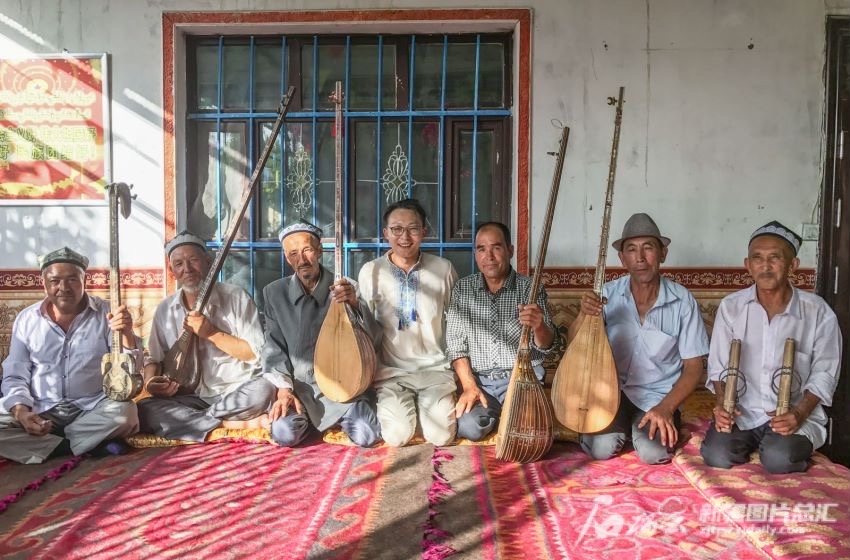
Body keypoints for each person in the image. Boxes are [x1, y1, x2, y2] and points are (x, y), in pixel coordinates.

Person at [700, 221, 842, 474]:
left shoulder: (817, 311)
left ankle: (782, 446)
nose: (765, 266)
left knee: (779, 458)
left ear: (793, 265)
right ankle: (762, 442)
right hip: (743, 413)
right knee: (716, 455)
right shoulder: (732, 307)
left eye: (775, 258)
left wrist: (798, 414)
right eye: (758, 258)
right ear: (748, 265)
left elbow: (825, 373)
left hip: (794, 414)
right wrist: (722, 406)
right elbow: (719, 367)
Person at [569, 213, 709, 464]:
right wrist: (583, 314)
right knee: (602, 448)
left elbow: (693, 368)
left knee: (654, 453)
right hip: (611, 392)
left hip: (659, 396)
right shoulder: (606, 295)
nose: (640, 258)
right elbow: (574, 347)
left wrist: (666, 408)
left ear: (663, 253)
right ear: (622, 258)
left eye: (648, 248)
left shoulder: (683, 301)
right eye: (631, 250)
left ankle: (640, 429)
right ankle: (622, 429)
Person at [139, 231, 282, 443]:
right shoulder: (165, 309)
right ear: (172, 271)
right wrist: (151, 383)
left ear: (209, 262)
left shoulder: (236, 297)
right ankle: (227, 424)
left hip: (236, 390)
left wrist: (212, 333)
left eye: (193, 260)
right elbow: (154, 358)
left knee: (264, 390)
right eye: (178, 264)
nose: (187, 269)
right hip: (189, 397)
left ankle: (196, 424)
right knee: (144, 409)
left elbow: (255, 353)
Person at [0, 248, 140, 464]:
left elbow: (129, 371)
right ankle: (86, 444)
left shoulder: (107, 314)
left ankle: (52, 445)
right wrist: (21, 412)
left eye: (72, 279)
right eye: (55, 280)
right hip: (41, 408)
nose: (63, 288)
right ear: (43, 282)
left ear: (85, 280)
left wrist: (128, 335)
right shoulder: (27, 319)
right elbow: (15, 375)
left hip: (92, 406)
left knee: (125, 412)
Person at [260, 220, 382, 447]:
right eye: (293, 253)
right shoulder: (274, 293)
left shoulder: (346, 288)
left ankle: (338, 419)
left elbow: (374, 340)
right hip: (302, 390)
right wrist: (284, 391)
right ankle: (310, 422)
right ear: (287, 258)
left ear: (319, 251)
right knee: (284, 433)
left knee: (367, 434)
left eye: (307, 250)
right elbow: (273, 347)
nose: (302, 259)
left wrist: (354, 304)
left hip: (345, 387)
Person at [358, 198, 458, 446]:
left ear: (424, 232)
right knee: (397, 436)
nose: (405, 236)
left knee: (441, 436)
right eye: (396, 229)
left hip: (436, 371)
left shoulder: (443, 270)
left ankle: (425, 409)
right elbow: (363, 329)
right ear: (385, 233)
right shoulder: (371, 272)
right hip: (392, 373)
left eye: (413, 229)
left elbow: (458, 325)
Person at [446, 222, 559, 441]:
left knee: (524, 430)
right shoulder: (463, 289)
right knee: (470, 428)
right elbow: (455, 345)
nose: (489, 256)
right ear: (475, 254)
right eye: (481, 249)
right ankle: (499, 415)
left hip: (521, 378)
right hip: (481, 381)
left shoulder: (530, 288)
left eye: (496, 247)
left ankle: (511, 416)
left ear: (510, 250)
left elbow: (547, 346)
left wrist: (539, 325)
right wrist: (469, 386)